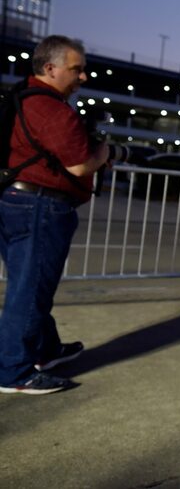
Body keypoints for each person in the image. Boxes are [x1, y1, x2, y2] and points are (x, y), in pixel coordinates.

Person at [0, 36, 109, 395]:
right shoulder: (49, 107)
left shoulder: (25, 98)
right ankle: (14, 370)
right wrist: (105, 153)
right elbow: (79, 164)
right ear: (50, 68)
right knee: (30, 290)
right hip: (40, 207)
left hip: (23, 202)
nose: (83, 77)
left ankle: (46, 350)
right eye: (76, 69)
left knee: (29, 284)